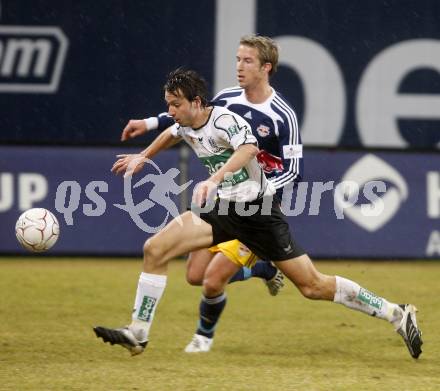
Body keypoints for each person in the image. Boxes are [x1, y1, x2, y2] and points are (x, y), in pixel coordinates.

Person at [94, 68, 423, 360]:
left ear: (196, 102)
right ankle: (138, 332)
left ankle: (397, 313)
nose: (170, 111)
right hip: (222, 210)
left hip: (259, 213)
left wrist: (214, 178)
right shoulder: (186, 122)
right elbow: (171, 132)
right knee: (155, 248)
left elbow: (249, 148)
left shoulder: (224, 119)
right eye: (168, 104)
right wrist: (142, 156)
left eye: (175, 105)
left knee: (313, 286)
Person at [117, 35, 302, 303]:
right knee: (195, 276)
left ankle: (201, 338)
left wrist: (263, 194)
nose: (239, 66)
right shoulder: (226, 99)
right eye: (238, 59)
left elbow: (293, 169)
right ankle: (262, 269)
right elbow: (191, 115)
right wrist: (148, 124)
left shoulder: (282, 114)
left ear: (266, 68)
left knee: (214, 281)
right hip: (225, 200)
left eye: (247, 60)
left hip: (258, 208)